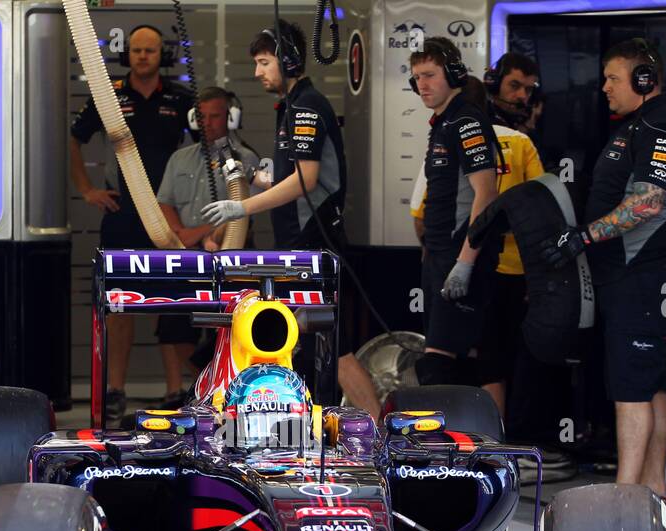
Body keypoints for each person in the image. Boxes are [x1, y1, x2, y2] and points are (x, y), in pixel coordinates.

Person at [200, 21, 383, 421]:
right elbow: (286, 177)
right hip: (299, 242)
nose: (257, 72)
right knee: (306, 342)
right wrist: (253, 177)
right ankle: (300, 422)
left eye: (264, 62)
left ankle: (376, 429)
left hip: (315, 240)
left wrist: (242, 208)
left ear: (289, 60)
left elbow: (306, 180)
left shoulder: (306, 105)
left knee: (336, 345)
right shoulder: (293, 106)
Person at [536, 38, 666, 499]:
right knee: (650, 381)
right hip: (635, 274)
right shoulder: (635, 126)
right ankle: (653, 488)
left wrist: (583, 237)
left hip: (645, 272)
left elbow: (646, 203)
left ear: (645, 80)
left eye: (613, 78)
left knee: (631, 387)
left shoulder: (659, 127)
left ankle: (626, 496)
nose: (604, 86)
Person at [70, 24, 194, 425]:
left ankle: (176, 389)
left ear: (163, 55)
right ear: (128, 54)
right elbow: (75, 138)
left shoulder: (181, 98)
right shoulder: (110, 96)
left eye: (151, 50)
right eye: (137, 50)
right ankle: (116, 391)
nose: (143, 56)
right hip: (122, 215)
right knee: (121, 305)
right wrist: (88, 189)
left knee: (170, 300)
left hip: (167, 215)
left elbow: (202, 149)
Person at [155, 86, 261, 406]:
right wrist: (179, 234)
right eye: (202, 116)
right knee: (173, 327)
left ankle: (222, 390)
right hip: (185, 254)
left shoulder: (246, 158)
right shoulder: (179, 158)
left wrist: (203, 234)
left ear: (231, 118)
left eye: (216, 116)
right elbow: (165, 202)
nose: (209, 122)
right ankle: (183, 392)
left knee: (226, 329)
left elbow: (244, 208)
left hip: (232, 255)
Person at [404, 37, 498, 387]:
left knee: (438, 365)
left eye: (429, 75)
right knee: (448, 361)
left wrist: (465, 262)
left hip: (460, 256)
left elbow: (486, 193)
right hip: (441, 255)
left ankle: (439, 442)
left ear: (454, 74)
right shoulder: (443, 123)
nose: (421, 85)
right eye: (416, 77)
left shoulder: (466, 121)